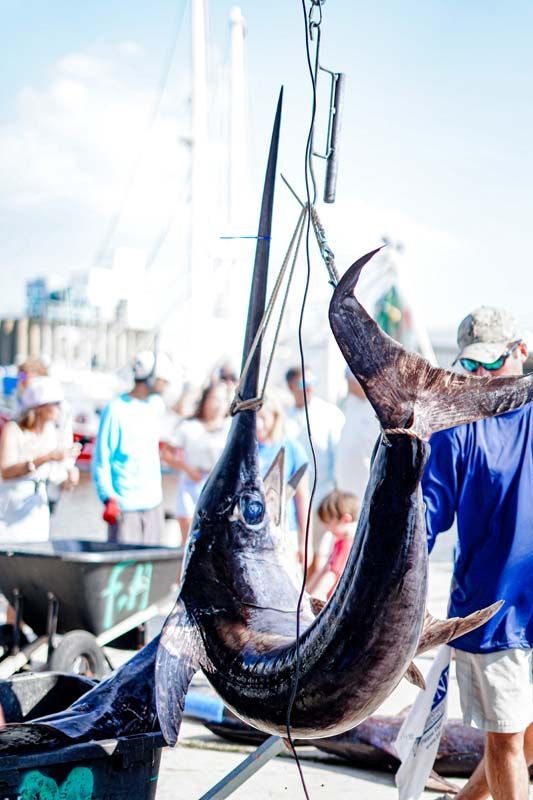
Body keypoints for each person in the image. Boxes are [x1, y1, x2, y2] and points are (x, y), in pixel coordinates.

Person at [422, 307, 533, 800]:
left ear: (521, 352)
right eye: (470, 367)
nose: (482, 377)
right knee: (505, 736)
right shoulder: (456, 426)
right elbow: (425, 517)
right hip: (489, 611)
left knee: (525, 739)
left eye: (492, 362)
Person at [92, 351, 174, 545]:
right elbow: (102, 459)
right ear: (151, 378)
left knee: (151, 570)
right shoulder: (115, 409)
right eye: (163, 379)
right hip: (124, 506)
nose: (166, 384)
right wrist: (108, 498)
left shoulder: (156, 405)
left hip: (154, 504)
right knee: (125, 570)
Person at [0, 376, 79, 543]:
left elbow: (56, 477)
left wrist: (69, 478)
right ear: (40, 407)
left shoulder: (52, 434)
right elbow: (6, 471)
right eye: (55, 403)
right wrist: (46, 458)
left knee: (36, 553)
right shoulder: (13, 430)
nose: (59, 408)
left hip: (37, 507)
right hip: (10, 508)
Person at [285, 366, 344, 571]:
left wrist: (337, 494)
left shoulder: (330, 413)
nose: (309, 388)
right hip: (294, 500)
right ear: (291, 387)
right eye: (303, 384)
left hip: (324, 496)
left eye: (313, 383)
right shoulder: (285, 418)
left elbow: (339, 454)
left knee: (320, 554)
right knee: (299, 554)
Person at [163, 381, 230, 544]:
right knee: (188, 540)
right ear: (205, 401)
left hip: (219, 489)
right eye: (214, 399)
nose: (218, 405)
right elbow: (166, 454)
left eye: (222, 400)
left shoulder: (230, 427)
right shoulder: (189, 427)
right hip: (192, 485)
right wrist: (187, 469)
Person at [256, 391, 310, 565]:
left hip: (285, 532)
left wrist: (305, 542)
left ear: (275, 416)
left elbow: (302, 497)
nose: (258, 424)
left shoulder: (292, 448)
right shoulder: (245, 449)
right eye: (254, 418)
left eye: (264, 417)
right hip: (253, 535)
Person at [335, 367, 379, 500]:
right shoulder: (348, 403)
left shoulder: (378, 408)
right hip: (345, 484)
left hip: (367, 482)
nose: (350, 384)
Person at [307, 490, 359, 601]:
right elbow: (325, 568)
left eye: (329, 522)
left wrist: (314, 596)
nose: (326, 528)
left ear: (345, 519)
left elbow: (331, 575)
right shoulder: (339, 542)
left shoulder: (346, 545)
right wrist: (306, 592)